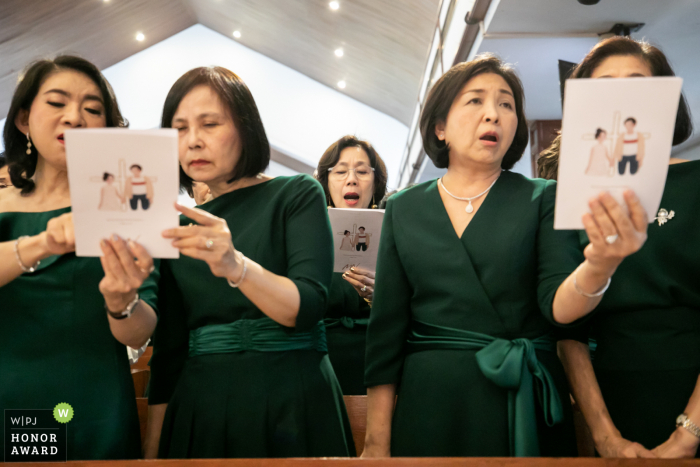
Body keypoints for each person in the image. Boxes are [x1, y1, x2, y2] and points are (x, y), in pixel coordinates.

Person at [362, 53, 648, 458]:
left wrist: (599, 264)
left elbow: (560, 308)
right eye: (475, 100)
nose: (493, 115)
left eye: (506, 104)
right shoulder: (404, 207)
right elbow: (386, 330)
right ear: (440, 126)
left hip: (521, 396)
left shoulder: (542, 197)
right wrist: (376, 442)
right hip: (432, 400)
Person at [144, 66, 354, 458]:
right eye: (179, 129)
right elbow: (169, 351)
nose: (193, 142)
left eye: (209, 124)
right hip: (201, 405)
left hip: (294, 395)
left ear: (246, 128)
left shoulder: (296, 193)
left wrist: (235, 265)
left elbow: (308, 306)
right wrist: (152, 453)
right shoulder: (176, 227)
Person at [538, 36, 699, 459]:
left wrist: (689, 434)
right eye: (605, 84)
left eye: (637, 82)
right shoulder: (566, 196)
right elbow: (565, 330)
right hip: (609, 394)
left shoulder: (697, 184)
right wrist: (605, 435)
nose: (622, 95)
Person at [0, 56, 159, 460]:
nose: (75, 118)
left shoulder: (127, 207)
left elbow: (140, 333)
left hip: (96, 401)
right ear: (23, 119)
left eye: (92, 109)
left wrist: (121, 302)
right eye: (57, 103)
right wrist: (41, 244)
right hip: (10, 395)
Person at [315, 135, 388, 395]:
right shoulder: (308, 232)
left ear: (376, 182)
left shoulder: (395, 230)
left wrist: (383, 297)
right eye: (341, 171)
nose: (351, 178)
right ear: (325, 181)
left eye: (361, 171)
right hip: (319, 360)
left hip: (377, 360)